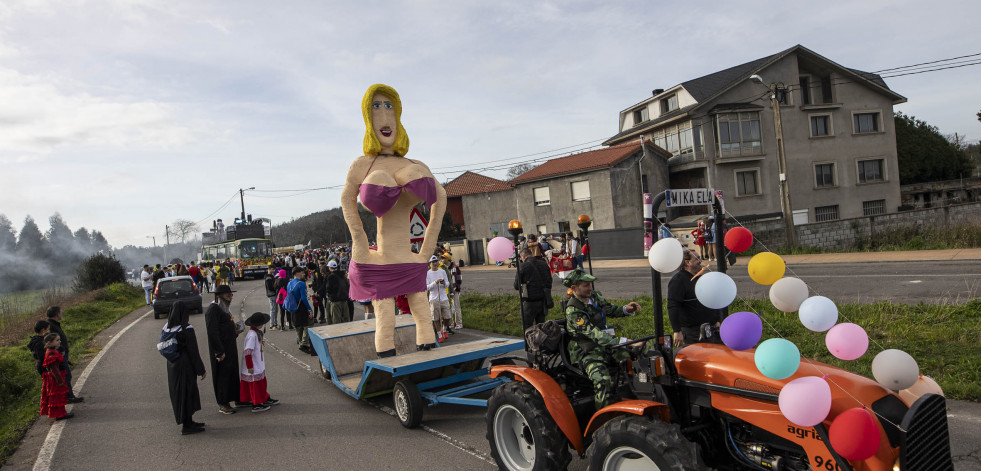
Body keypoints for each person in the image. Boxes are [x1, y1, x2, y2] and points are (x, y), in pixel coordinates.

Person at [340, 83, 447, 357]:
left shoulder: (415, 165)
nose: (385, 115)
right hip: (378, 258)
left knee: (421, 310)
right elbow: (347, 200)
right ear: (367, 116)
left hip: (408, 257)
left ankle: (426, 345)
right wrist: (360, 241)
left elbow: (441, 197)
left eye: (390, 106)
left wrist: (426, 250)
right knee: (384, 314)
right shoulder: (363, 165)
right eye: (377, 106)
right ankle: (386, 356)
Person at [563, 268, 640, 410]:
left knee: (635, 361)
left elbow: (609, 309)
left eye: (590, 284)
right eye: (585, 285)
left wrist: (625, 309)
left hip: (606, 345)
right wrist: (625, 341)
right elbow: (594, 334)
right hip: (587, 351)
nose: (590, 288)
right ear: (574, 288)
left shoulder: (594, 297)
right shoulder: (573, 310)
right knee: (603, 381)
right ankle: (603, 420)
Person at [163, 302, 207, 435]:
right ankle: (187, 425)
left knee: (179, 394)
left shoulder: (167, 327)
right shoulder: (186, 328)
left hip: (173, 365)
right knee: (188, 393)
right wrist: (201, 370)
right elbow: (193, 351)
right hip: (185, 365)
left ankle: (188, 421)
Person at [667, 249, 723, 347]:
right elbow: (673, 306)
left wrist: (717, 319)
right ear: (687, 262)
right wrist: (677, 331)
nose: (700, 261)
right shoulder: (678, 281)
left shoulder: (702, 279)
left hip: (711, 328)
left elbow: (713, 299)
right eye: (697, 258)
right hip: (692, 332)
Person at [205, 285, 244, 415]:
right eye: (228, 296)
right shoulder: (213, 310)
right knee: (222, 376)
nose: (230, 298)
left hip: (230, 346)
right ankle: (223, 403)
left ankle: (237, 398)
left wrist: (235, 332)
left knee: (232, 373)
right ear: (219, 297)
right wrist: (219, 351)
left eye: (231, 295)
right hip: (221, 350)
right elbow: (213, 332)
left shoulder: (224, 309)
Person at [240, 312, 279, 413]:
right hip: (253, 364)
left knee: (261, 382)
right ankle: (256, 403)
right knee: (255, 384)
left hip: (258, 362)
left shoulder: (256, 333)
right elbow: (248, 351)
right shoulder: (252, 335)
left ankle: (264, 397)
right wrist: (250, 366)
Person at [46, 306, 82, 403]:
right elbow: (53, 342)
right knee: (66, 375)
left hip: (61, 354)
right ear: (57, 314)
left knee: (67, 375)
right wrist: (61, 351)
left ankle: (69, 395)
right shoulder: (51, 326)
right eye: (60, 312)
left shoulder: (54, 324)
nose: (61, 314)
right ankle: (68, 397)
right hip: (59, 355)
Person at [513, 248, 553, 332]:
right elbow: (549, 281)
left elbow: (516, 285)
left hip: (529, 301)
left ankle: (529, 344)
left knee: (527, 327)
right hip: (543, 300)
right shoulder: (544, 264)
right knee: (542, 327)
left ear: (523, 257)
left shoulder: (523, 266)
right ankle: (542, 344)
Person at [40, 333, 72, 420]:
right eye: (57, 340)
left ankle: (61, 413)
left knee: (60, 396)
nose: (59, 342)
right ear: (49, 343)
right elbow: (54, 369)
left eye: (59, 340)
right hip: (56, 378)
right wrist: (60, 381)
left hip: (57, 377)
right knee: (57, 396)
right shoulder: (51, 354)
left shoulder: (53, 351)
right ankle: (59, 414)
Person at [284, 267, 314, 355]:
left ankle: (301, 342)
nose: (304, 274)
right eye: (302, 273)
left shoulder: (289, 284)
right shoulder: (301, 284)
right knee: (307, 324)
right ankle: (304, 343)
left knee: (298, 325)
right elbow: (304, 298)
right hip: (301, 306)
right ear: (297, 273)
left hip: (293, 307)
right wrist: (309, 309)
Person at [425, 255, 451, 342]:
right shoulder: (428, 273)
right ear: (430, 264)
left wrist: (444, 283)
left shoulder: (442, 271)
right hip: (433, 298)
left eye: (436, 261)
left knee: (447, 316)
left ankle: (444, 329)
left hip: (443, 297)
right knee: (435, 318)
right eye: (433, 262)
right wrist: (435, 283)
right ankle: (439, 335)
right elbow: (427, 287)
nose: (435, 263)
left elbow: (448, 283)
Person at [325, 260, 351, 324]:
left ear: (330, 268)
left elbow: (328, 289)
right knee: (346, 320)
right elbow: (347, 286)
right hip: (344, 300)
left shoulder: (331, 276)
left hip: (335, 301)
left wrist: (331, 297)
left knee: (337, 321)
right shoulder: (343, 275)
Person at [442, 253, 463, 329]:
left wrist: (456, 289)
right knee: (449, 306)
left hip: (455, 290)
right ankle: (451, 322)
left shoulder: (454, 267)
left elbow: (458, 279)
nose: (442, 260)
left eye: (443, 258)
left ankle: (459, 323)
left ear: (447, 259)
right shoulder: (444, 268)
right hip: (448, 290)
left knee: (456, 306)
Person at [263, 265, 279, 330]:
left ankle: (275, 323)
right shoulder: (268, 278)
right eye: (272, 269)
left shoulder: (271, 276)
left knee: (275, 310)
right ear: (269, 269)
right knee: (273, 310)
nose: (274, 270)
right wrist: (275, 285)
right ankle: (272, 324)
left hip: (274, 295)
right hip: (271, 295)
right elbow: (270, 287)